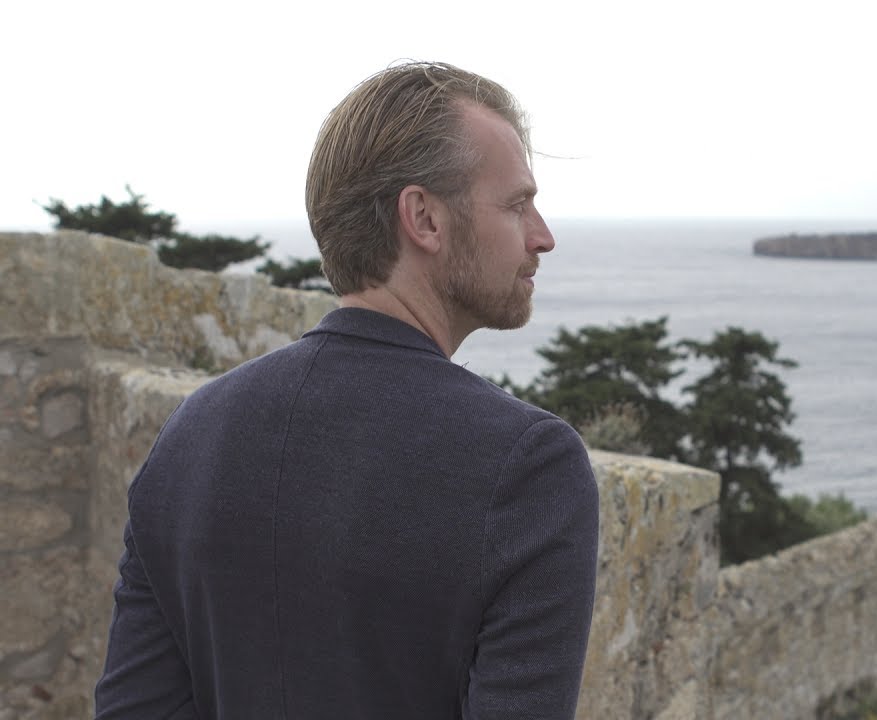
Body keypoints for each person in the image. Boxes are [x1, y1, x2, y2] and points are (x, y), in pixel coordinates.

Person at [95, 61, 600, 720]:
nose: (543, 236)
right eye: (515, 204)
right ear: (424, 218)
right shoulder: (528, 465)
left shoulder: (191, 435)